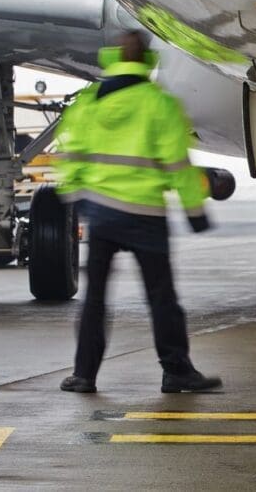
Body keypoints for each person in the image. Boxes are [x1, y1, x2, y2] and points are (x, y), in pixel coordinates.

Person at [54, 31, 221, 394]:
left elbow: (71, 155)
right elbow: (177, 164)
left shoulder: (89, 102)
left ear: (113, 57)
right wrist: (195, 212)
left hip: (102, 212)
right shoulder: (158, 103)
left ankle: (84, 374)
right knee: (161, 298)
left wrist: (76, 198)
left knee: (95, 298)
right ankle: (176, 371)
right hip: (145, 215)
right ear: (147, 60)